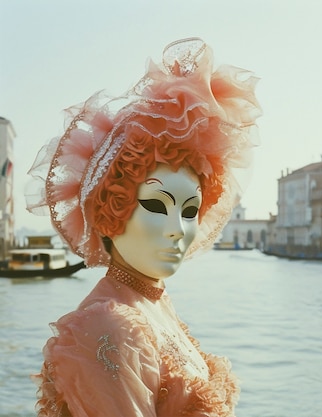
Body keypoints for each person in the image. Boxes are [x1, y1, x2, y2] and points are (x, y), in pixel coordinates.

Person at [26, 37, 261, 417]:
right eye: (155, 205)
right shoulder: (108, 324)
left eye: (189, 211)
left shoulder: (152, 303)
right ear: (112, 212)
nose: (178, 230)